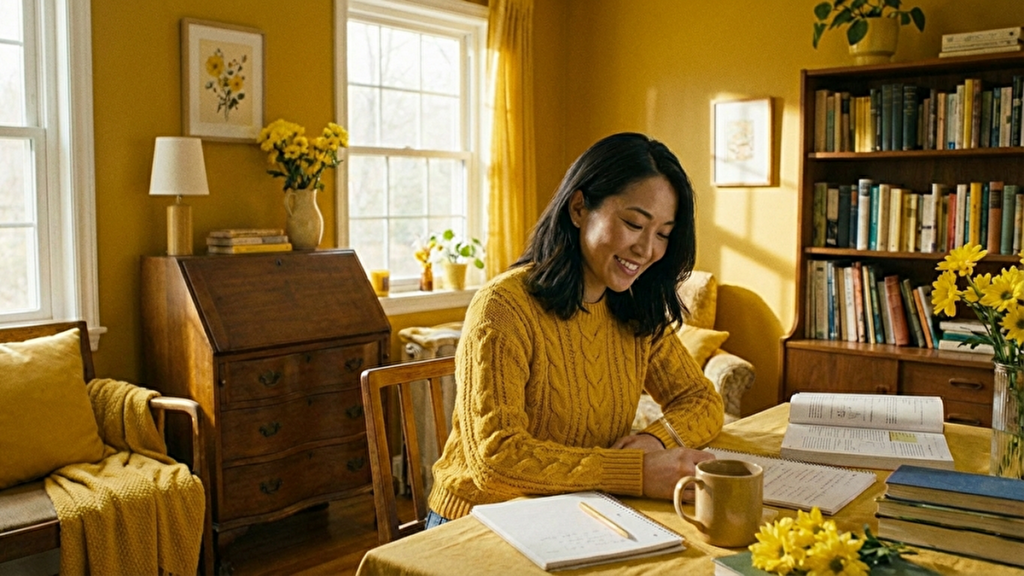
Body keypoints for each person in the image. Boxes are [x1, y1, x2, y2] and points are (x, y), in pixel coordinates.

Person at [425, 132, 724, 527]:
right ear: (580, 208)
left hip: (580, 511)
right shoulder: (503, 306)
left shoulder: (636, 308)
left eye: (663, 234)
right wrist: (635, 472)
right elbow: (496, 460)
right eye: (634, 223)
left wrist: (655, 441)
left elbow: (702, 402)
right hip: (477, 521)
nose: (647, 249)